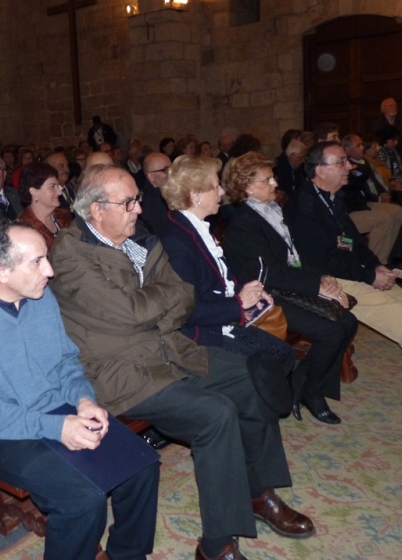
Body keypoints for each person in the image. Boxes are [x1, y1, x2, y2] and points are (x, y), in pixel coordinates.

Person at [50, 165, 315, 560]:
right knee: (215, 414)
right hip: (121, 372)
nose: (139, 209)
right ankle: (216, 544)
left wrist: (155, 306)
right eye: (129, 202)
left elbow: (183, 293)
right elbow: (129, 312)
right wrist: (159, 305)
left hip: (170, 350)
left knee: (250, 376)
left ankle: (257, 492)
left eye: (137, 199)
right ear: (96, 209)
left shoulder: (138, 239)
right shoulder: (70, 255)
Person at [0, 221, 159, 560]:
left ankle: (128, 554)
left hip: (54, 408)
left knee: (142, 464)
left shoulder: (38, 297)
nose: (49, 271)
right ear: (1, 271)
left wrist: (83, 400)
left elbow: (66, 361)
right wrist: (56, 427)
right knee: (82, 501)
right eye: (37, 262)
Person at [284, 141, 402, 383]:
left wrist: (377, 266)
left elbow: (352, 240)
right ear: (320, 170)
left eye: (346, 160)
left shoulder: (332, 198)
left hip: (344, 271)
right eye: (341, 162)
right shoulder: (304, 206)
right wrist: (369, 277)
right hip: (324, 282)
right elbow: (323, 260)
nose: (349, 166)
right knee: (397, 313)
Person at [222, 152, 358, 424]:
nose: (275, 183)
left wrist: (322, 277)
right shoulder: (244, 224)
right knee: (330, 332)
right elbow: (269, 273)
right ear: (247, 186)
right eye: (267, 179)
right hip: (264, 297)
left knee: (349, 321)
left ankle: (305, 381)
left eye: (273, 178)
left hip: (287, 286)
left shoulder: (272, 211)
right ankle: (311, 391)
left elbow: (295, 258)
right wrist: (316, 286)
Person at [157, 154, 296, 392]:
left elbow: (219, 280)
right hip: (200, 336)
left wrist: (248, 289)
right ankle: (255, 409)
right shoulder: (176, 241)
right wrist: (240, 303)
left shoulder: (195, 227)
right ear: (195, 195)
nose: (221, 192)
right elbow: (188, 311)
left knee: (282, 353)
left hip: (221, 319)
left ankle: (263, 405)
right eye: (215, 186)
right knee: (276, 356)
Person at [340, 134, 402, 265]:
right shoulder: (345, 164)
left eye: (362, 144)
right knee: (384, 219)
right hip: (351, 208)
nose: (362, 148)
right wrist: (359, 170)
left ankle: (383, 256)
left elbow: (363, 183)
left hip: (363, 202)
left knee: (397, 211)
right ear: (347, 149)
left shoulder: (362, 162)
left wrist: (379, 198)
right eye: (358, 145)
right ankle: (373, 263)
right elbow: (353, 184)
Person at [18, 162, 73, 253]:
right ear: (34, 191)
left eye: (57, 186)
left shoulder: (65, 216)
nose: (59, 192)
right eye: (52, 187)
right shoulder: (24, 228)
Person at [140, 152, 171, 233]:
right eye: (166, 170)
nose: (172, 173)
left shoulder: (169, 193)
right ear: (151, 177)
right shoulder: (150, 205)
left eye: (172, 168)